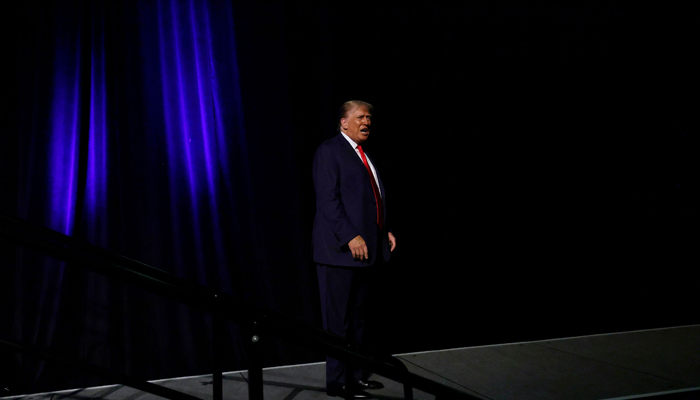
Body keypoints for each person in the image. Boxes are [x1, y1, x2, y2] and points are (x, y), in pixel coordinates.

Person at [312, 100, 396, 399]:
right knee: (337, 323)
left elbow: (370, 201)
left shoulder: (364, 155)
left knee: (359, 318)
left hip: (366, 252)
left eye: (370, 118)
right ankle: (337, 382)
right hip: (339, 253)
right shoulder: (329, 151)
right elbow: (328, 201)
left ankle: (356, 376)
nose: (367, 122)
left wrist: (382, 231)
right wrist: (351, 236)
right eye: (360, 117)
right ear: (343, 122)